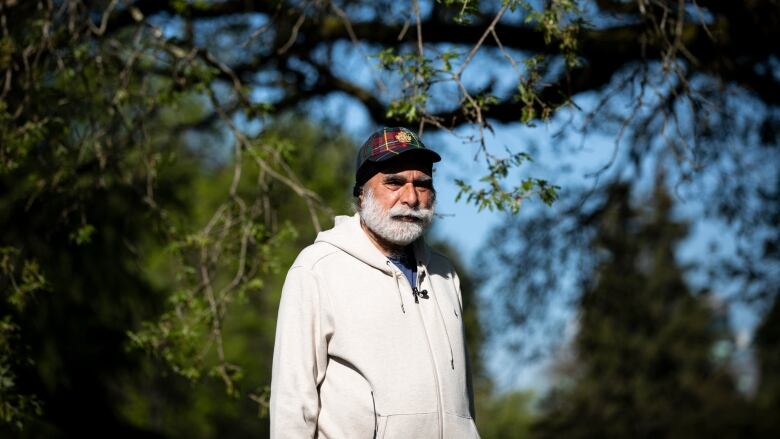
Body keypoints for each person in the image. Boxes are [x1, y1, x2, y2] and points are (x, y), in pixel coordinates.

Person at [270, 127, 478, 438]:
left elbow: (463, 397)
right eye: (394, 182)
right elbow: (292, 403)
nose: (410, 197)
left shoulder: (444, 274)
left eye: (422, 184)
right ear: (361, 193)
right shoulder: (318, 269)